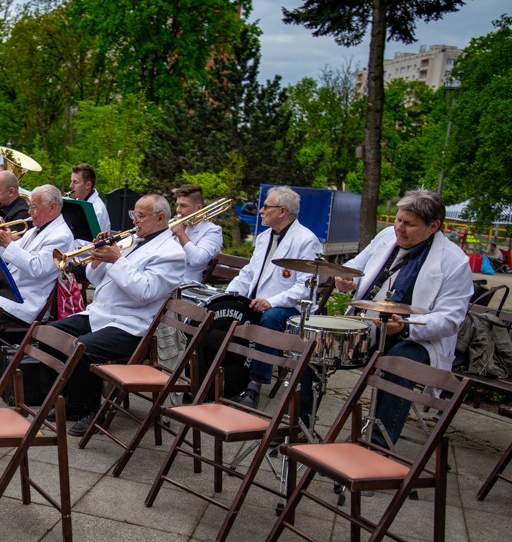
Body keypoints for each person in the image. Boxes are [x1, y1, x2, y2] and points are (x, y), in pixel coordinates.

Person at [335, 189, 472, 447]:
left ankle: (377, 444)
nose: (399, 227)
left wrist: (406, 328)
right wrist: (346, 280)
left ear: (433, 226)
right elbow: (357, 265)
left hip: (420, 340)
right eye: (398, 219)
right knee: (316, 343)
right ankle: (298, 422)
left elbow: (451, 319)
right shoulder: (387, 235)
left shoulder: (455, 262)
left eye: (409, 224)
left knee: (398, 363)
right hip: (371, 325)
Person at [46, 193, 186, 436]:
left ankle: (91, 410)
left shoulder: (172, 253)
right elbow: (94, 277)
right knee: (51, 333)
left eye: (140, 216)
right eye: (134, 215)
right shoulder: (133, 240)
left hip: (131, 325)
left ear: (161, 218)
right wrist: (100, 256)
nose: (135, 221)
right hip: (101, 314)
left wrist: (117, 260)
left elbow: (145, 291)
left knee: (83, 348)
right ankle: (71, 400)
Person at [227, 186, 322, 409]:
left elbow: (305, 289)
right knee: (226, 309)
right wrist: (229, 295)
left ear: (281, 211)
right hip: (259, 301)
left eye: (266, 207)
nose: (261, 211)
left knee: (270, 318)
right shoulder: (263, 238)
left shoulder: (306, 240)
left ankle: (254, 386)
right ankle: (229, 376)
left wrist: (272, 301)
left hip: (290, 308)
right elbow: (249, 273)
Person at [0, 184, 75, 323]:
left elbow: (37, 268)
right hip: (11, 292)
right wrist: (0, 241)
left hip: (27, 302)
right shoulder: (35, 230)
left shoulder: (61, 236)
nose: (30, 212)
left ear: (52, 207)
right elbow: (11, 257)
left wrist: (8, 244)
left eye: (34, 207)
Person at [170, 184, 223, 284]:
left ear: (199, 208)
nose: (178, 210)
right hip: (165, 280)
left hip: (185, 285)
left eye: (183, 206)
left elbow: (197, 260)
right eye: (177, 205)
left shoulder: (212, 230)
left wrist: (181, 234)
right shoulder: (180, 225)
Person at [69, 163, 111, 233]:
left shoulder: (97, 210)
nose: (71, 186)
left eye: (75, 182)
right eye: (71, 181)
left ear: (88, 185)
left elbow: (92, 241)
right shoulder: (79, 201)